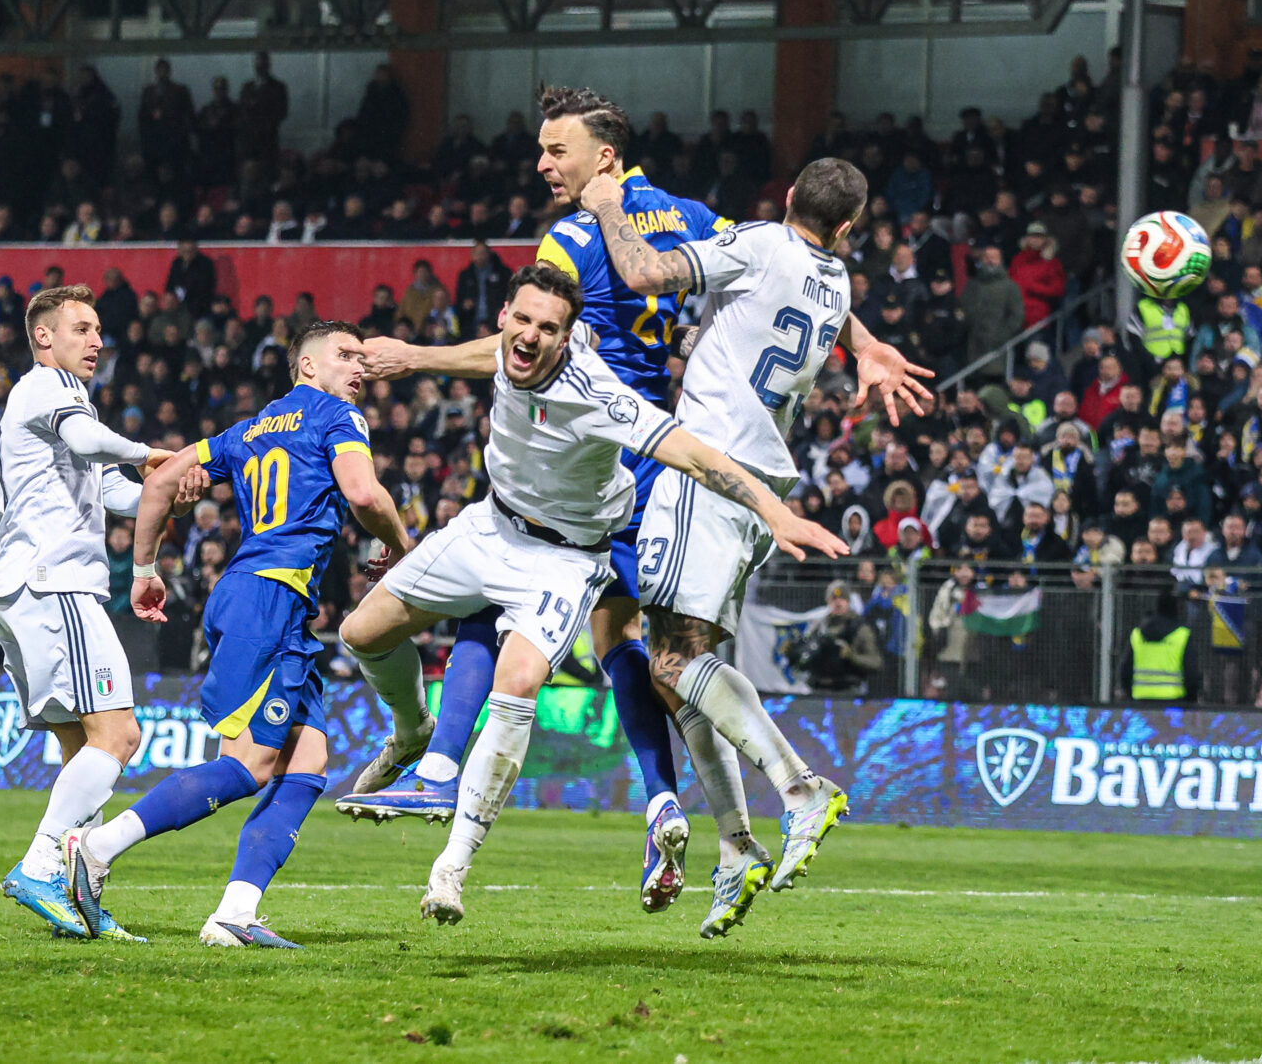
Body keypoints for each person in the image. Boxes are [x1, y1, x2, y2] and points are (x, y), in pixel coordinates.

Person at [337, 85, 739, 920]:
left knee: (506, 591)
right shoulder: (689, 215)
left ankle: (440, 769)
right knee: (639, 646)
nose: (543, 164)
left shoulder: (573, 234)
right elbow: (763, 266)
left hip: (585, 441)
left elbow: (527, 335)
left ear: (605, 157)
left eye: (557, 150)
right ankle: (669, 803)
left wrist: (416, 354)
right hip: (657, 463)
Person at [335, 265, 843, 926]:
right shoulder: (507, 349)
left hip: (564, 557)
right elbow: (482, 356)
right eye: (521, 321)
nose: (530, 337)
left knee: (520, 680)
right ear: (506, 318)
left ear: (569, 338)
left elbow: (689, 451)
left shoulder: (593, 390)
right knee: (361, 634)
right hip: (489, 525)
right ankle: (414, 732)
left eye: (548, 329)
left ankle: (450, 870)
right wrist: (416, 358)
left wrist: (773, 511)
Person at [579, 154, 932, 935]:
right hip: (761, 486)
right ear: (843, 228)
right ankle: (736, 849)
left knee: (667, 659)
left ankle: (800, 788)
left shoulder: (758, 243)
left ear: (785, 199)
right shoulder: (836, 282)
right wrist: (866, 343)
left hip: (707, 470)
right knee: (688, 672)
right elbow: (827, 305)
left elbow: (641, 271)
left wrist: (607, 204)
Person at [62, 322, 413, 949]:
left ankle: (235, 913)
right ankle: (95, 846)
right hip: (270, 597)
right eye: (345, 356)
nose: (359, 367)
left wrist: (144, 570)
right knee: (249, 766)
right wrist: (400, 545)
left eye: (364, 357)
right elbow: (362, 491)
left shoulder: (246, 430)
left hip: (263, 597)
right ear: (307, 366)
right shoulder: (338, 417)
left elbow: (163, 479)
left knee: (306, 760)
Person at [0, 285, 204, 941]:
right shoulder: (46, 388)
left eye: (99, 329)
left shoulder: (63, 403)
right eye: (82, 328)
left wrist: (160, 491)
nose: (97, 340)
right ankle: (39, 864)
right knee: (121, 737)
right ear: (45, 337)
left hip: (27, 589)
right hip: (55, 588)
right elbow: (93, 444)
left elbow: (109, 487)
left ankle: (75, 902)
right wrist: (156, 456)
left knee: (82, 747)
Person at [1118, 588, 1200, 702]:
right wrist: (1191, 698)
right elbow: (1191, 671)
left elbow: (1125, 668)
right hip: (1173, 699)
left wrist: (1128, 693)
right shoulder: (1182, 635)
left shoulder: (1137, 634)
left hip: (1141, 698)